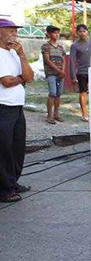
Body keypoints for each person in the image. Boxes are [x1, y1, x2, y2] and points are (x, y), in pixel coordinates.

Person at [0, 17, 33, 203]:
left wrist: (21, 55)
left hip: (17, 106)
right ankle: (4, 188)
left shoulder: (13, 53)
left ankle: (12, 181)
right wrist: (22, 77)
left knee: (17, 147)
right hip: (3, 106)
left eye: (15, 30)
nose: (14, 33)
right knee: (4, 149)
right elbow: (7, 81)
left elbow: (30, 76)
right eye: (10, 30)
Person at [69, 23, 91, 122]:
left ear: (87, 32)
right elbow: (72, 61)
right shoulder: (75, 45)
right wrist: (73, 76)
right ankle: (84, 113)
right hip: (81, 72)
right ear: (77, 33)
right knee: (83, 93)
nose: (82, 33)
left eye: (84, 31)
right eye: (80, 31)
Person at [41, 25, 66, 124]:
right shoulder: (46, 46)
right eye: (54, 33)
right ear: (49, 34)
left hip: (60, 74)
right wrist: (58, 71)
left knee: (58, 94)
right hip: (51, 73)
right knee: (52, 93)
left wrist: (63, 71)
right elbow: (47, 60)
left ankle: (56, 114)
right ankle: (49, 116)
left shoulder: (60, 47)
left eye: (58, 33)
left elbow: (64, 60)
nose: (57, 35)